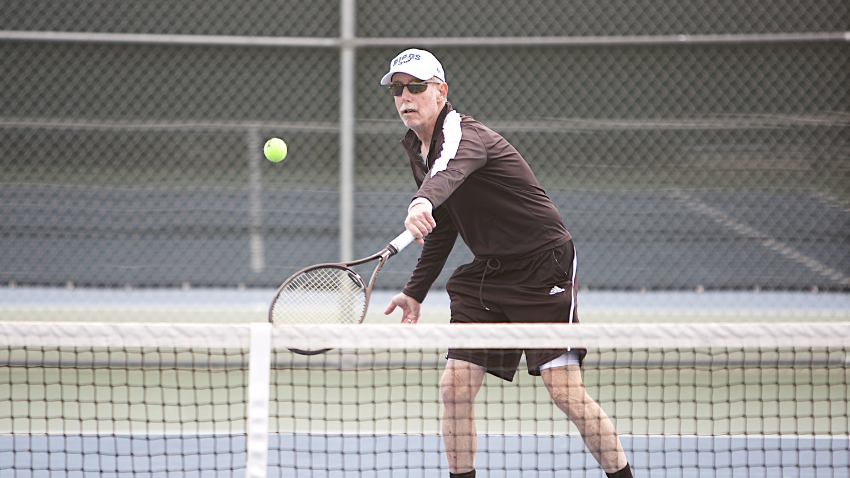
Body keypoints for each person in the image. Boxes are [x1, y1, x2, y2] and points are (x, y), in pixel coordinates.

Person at [380, 49, 633, 478]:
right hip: (490, 273)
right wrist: (415, 292)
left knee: (565, 392)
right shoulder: (416, 148)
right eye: (398, 88)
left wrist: (422, 199)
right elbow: (442, 226)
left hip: (542, 265)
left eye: (416, 86)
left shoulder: (463, 135)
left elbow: (445, 176)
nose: (406, 96)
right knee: (454, 388)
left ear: (440, 92)